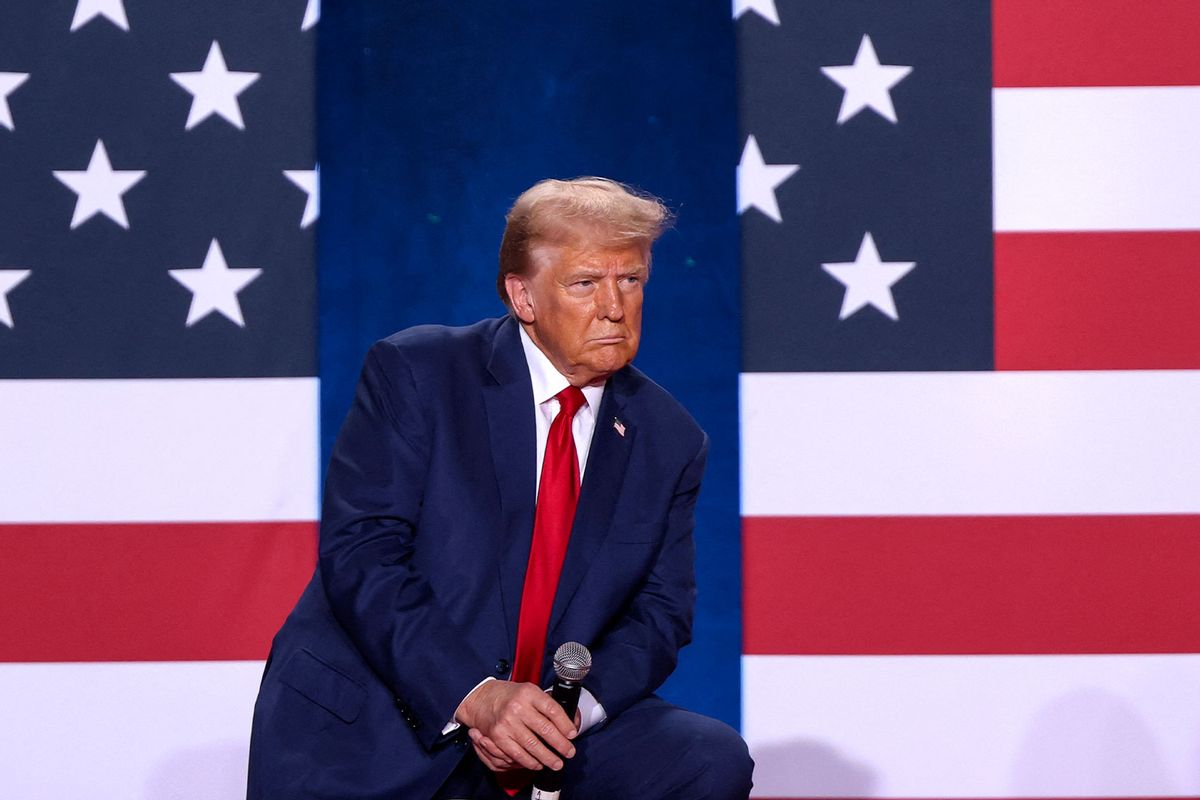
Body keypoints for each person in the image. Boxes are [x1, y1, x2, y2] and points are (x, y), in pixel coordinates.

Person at [247, 177, 753, 799]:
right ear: (523, 296)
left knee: (706, 759)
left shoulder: (668, 439)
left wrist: (568, 714)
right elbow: (362, 553)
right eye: (585, 283)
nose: (615, 307)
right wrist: (478, 697)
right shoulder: (420, 373)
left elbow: (660, 614)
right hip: (381, 721)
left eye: (632, 280)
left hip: (545, 735)